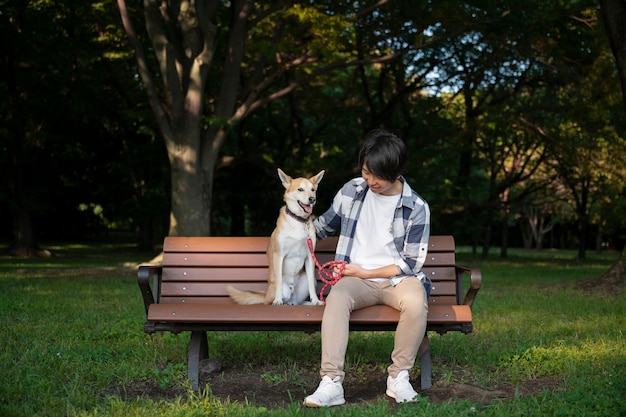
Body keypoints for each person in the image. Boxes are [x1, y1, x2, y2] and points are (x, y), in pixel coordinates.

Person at [304, 129, 431, 407]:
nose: (371, 181)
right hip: (355, 279)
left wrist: (364, 272)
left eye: (378, 176)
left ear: (396, 172)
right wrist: (292, 231)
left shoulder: (416, 207)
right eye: (366, 172)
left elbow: (410, 263)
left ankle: (399, 377)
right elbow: (323, 227)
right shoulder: (353, 190)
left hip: (397, 278)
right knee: (337, 298)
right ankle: (331, 382)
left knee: (416, 300)